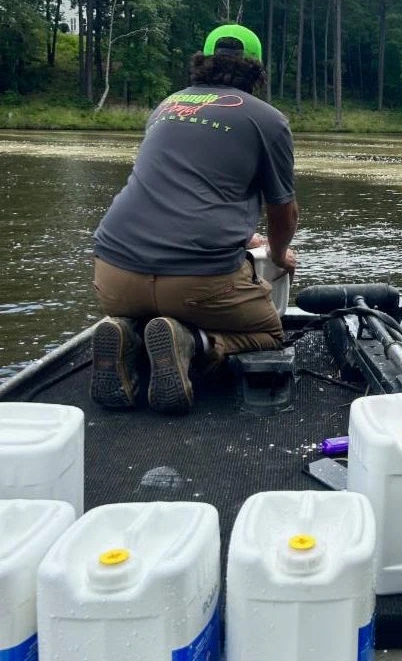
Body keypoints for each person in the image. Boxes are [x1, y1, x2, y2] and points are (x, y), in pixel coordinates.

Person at [89, 24, 298, 415]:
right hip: (198, 284)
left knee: (148, 306)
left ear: (201, 62)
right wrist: (281, 254)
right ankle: (193, 342)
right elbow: (283, 211)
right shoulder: (268, 120)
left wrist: (241, 234)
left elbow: (178, 193)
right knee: (269, 331)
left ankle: (126, 330)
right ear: (257, 71)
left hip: (113, 275)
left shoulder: (165, 106)